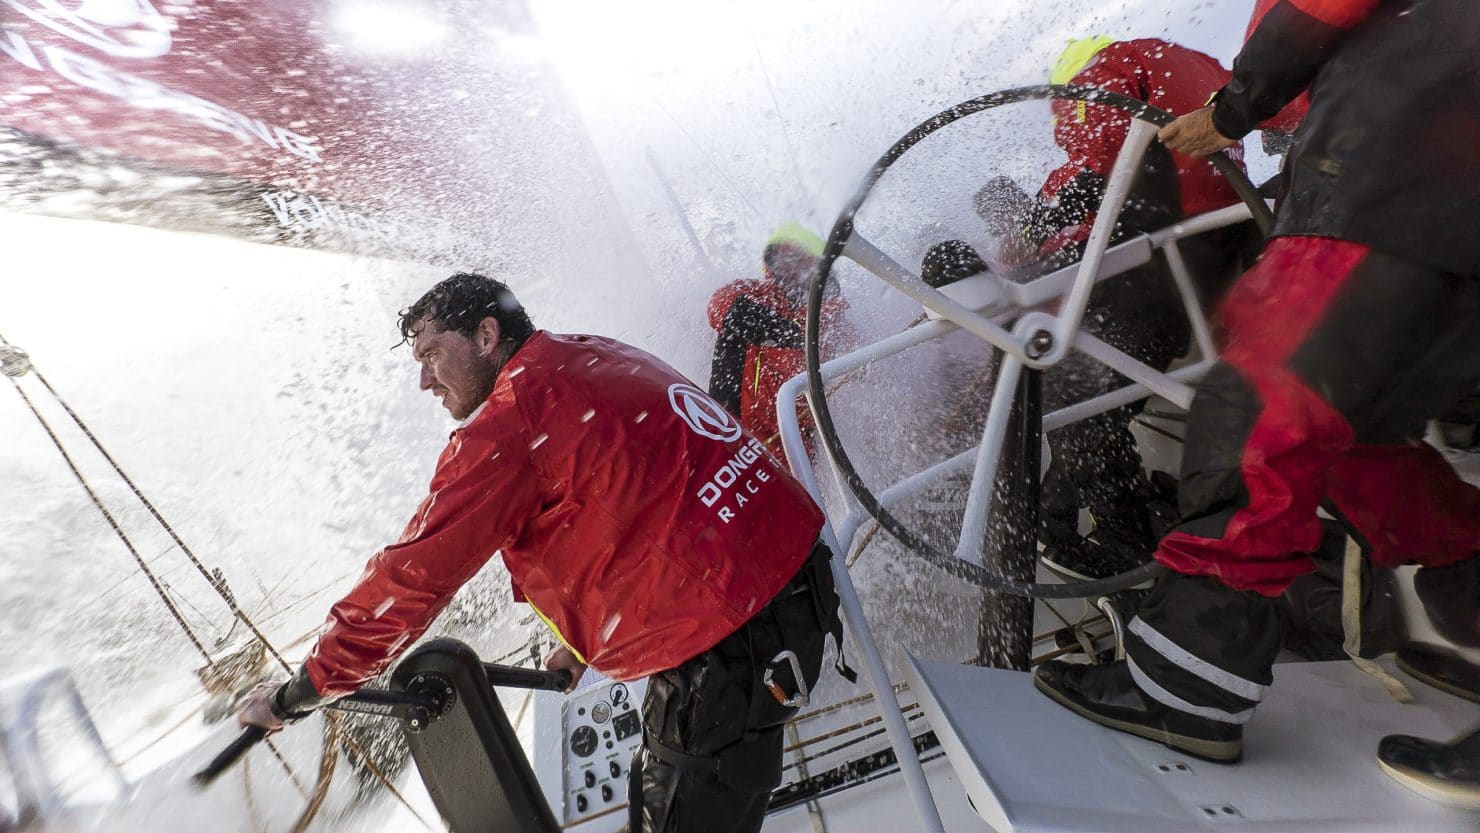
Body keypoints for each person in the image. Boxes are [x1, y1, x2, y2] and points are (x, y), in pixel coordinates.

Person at [1035, 0, 1480, 790]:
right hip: (1454, 218)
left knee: (1255, 414)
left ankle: (1183, 685)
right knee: (1359, 441)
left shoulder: (1119, 76)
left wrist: (1235, 107)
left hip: (1390, 177)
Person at [237, 273, 851, 833]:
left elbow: (414, 576)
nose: (424, 380)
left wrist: (303, 690)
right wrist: (581, 643)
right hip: (793, 588)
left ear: (486, 336)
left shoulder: (509, 423)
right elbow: (644, 501)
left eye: (431, 355)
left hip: (730, 642)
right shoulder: (587, 353)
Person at [977, 37, 1261, 583]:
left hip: (1157, 270)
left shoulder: (1105, 71)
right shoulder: (1195, 68)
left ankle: (1125, 542)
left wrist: (1029, 234)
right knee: (1096, 404)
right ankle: (1063, 519)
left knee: (1071, 402)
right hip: (1217, 260)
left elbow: (1102, 157)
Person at [707, 223, 845, 457]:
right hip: (736, 442)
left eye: (799, 262)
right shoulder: (754, 294)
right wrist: (785, 332)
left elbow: (869, 363)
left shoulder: (834, 323)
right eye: (784, 261)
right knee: (733, 329)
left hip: (797, 453)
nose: (793, 272)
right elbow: (722, 306)